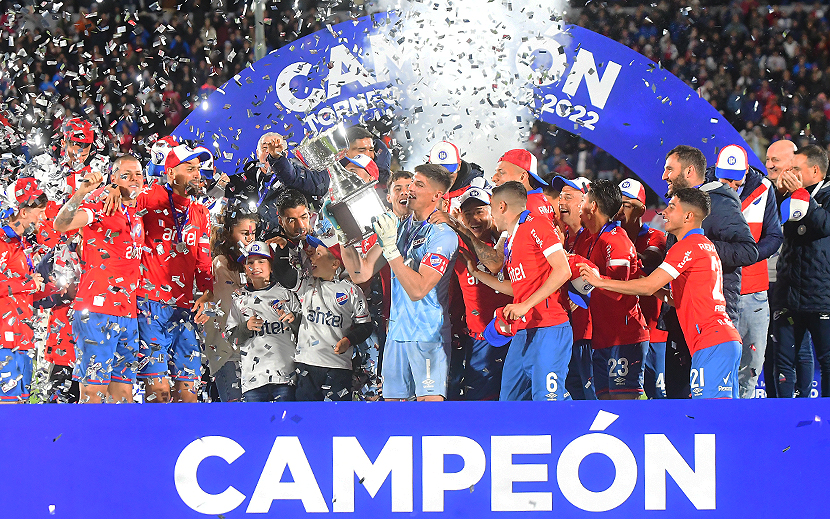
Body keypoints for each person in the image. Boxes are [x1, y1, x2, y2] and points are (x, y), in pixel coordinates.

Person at [579, 188, 741, 399]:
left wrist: (599, 282)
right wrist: (648, 286)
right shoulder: (705, 245)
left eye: (672, 207)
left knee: (709, 417)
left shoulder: (686, 247)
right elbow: (676, 300)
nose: (664, 212)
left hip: (711, 340)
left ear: (688, 216)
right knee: (727, 417)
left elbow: (647, 286)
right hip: (722, 338)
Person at [344, 164, 458, 401]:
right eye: (408, 184)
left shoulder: (443, 235)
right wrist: (343, 235)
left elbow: (418, 290)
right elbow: (361, 273)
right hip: (396, 334)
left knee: (429, 412)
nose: (409, 190)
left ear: (437, 195)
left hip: (428, 335)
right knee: (394, 412)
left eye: (418, 184)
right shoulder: (398, 228)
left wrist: (392, 250)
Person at [661, 145, 757, 398]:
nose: (664, 176)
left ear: (690, 171)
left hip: (713, 321)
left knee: (711, 405)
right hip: (685, 316)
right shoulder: (681, 206)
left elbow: (748, 250)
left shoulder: (720, 203)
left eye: (669, 169)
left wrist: (699, 248)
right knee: (681, 395)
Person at [52, 155, 145, 403]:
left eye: (138, 174)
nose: (134, 179)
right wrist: (82, 192)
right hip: (96, 310)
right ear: (112, 177)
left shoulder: (138, 212)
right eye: (126, 175)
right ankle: (85, 442)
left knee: (124, 393)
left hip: (128, 313)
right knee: (93, 391)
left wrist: (115, 187)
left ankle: (117, 443)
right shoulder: (101, 205)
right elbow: (61, 224)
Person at [134, 144, 214, 403]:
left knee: (189, 393)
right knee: (158, 392)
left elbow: (203, 260)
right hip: (150, 306)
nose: (197, 174)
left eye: (198, 169)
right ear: (170, 173)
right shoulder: (148, 198)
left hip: (184, 309)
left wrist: (207, 293)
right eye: (189, 169)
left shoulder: (200, 212)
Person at [483, 181, 572, 401]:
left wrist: (525, 305)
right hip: (524, 329)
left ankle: (579, 431)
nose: (491, 214)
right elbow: (517, 288)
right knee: (509, 402)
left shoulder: (537, 224)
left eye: (491, 207)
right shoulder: (511, 239)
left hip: (549, 326)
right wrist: (477, 274)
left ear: (501, 206)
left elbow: (563, 270)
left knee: (548, 402)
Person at [710, 145, 783, 398]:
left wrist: (747, 256)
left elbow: (775, 236)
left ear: (746, 172)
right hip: (717, 289)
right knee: (718, 365)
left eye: (734, 178)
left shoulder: (764, 188)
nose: (728, 183)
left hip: (754, 291)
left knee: (751, 368)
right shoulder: (705, 189)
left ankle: (744, 423)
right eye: (723, 176)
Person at [578, 179, 649, 399]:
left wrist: (595, 281)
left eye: (583, 200)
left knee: (624, 406)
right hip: (603, 337)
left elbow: (621, 291)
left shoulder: (616, 240)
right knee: (606, 404)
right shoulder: (590, 238)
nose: (580, 205)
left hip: (624, 337)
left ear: (593, 207)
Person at [772, 145, 830, 398]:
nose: (790, 172)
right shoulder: (791, 196)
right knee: (783, 362)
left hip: (821, 296)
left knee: (827, 362)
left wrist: (800, 194)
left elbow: (823, 226)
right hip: (788, 294)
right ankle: (784, 418)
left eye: (797, 168)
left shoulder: (824, 195)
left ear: (815, 171)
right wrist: (782, 195)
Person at [451, 186, 512, 400]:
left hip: (513, 336)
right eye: (468, 214)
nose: (474, 219)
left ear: (492, 213)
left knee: (514, 402)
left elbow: (496, 264)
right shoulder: (455, 245)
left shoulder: (507, 242)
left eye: (479, 211)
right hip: (479, 340)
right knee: (480, 404)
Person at [293, 244, 373, 401]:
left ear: (335, 264)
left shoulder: (351, 290)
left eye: (318, 254)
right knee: (304, 419)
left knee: (337, 419)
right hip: (306, 363)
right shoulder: (306, 284)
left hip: (338, 366)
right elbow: (287, 275)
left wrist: (349, 341)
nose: (312, 257)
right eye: (313, 254)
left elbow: (366, 326)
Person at [225, 241, 300, 402]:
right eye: (250, 262)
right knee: (257, 426)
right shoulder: (239, 298)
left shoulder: (285, 293)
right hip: (254, 380)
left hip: (285, 376)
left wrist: (294, 320)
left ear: (271, 266)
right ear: (245, 268)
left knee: (285, 424)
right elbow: (232, 339)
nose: (255, 266)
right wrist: (245, 328)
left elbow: (304, 332)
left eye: (261, 261)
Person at [617, 178, 668, 399]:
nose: (620, 209)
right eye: (618, 203)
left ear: (642, 210)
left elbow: (652, 259)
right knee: (625, 395)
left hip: (652, 328)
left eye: (628, 205)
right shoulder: (607, 235)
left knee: (657, 394)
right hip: (620, 332)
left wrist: (623, 254)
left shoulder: (655, 236)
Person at [0, 178, 47, 402]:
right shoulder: (1, 242)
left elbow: (24, 291)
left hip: (23, 337)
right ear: (23, 211)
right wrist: (28, 283)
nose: (43, 216)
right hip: (4, 339)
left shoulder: (21, 244)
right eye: (39, 210)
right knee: (7, 408)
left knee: (21, 406)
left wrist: (58, 292)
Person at [206, 209, 258, 402]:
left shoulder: (253, 262)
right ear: (229, 233)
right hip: (229, 352)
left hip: (253, 351)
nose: (250, 239)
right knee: (237, 415)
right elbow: (228, 309)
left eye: (253, 233)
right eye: (245, 234)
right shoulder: (221, 263)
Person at [553, 175, 596, 399]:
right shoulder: (562, 236)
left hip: (590, 334)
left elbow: (604, 282)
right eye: (560, 196)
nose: (561, 202)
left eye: (568, 197)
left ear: (585, 202)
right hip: (566, 333)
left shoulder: (597, 236)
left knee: (592, 399)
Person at [427, 140, 487, 210]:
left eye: (449, 173)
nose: (444, 179)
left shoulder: (478, 186)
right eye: (438, 174)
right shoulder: (418, 187)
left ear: (459, 165)